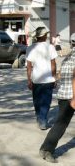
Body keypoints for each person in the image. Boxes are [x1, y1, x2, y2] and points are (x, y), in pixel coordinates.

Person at [39, 33, 75, 163]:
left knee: (60, 124)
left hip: (63, 95)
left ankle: (46, 149)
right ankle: (47, 150)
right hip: (72, 96)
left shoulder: (68, 57)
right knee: (61, 124)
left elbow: (60, 75)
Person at [26, 27, 57, 130]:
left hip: (36, 79)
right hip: (48, 79)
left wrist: (29, 80)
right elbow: (53, 64)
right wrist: (54, 77)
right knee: (46, 101)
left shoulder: (30, 48)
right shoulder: (51, 47)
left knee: (37, 100)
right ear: (44, 36)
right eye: (46, 34)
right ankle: (42, 120)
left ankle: (40, 118)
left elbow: (29, 66)